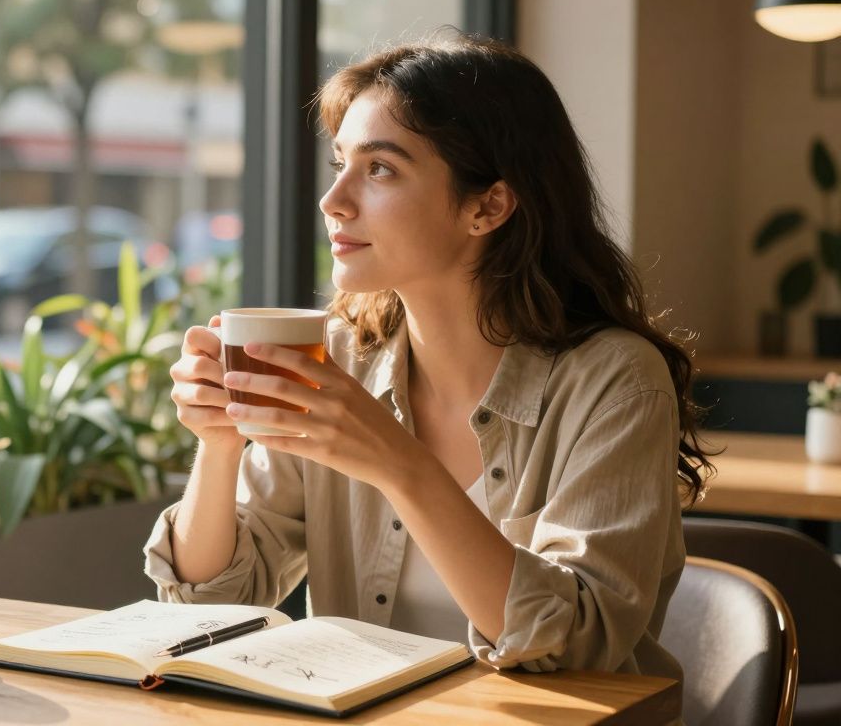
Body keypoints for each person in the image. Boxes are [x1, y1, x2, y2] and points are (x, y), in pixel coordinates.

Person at [147, 34, 714, 682]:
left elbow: (574, 644)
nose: (334, 200)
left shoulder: (615, 383)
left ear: (488, 205)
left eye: (380, 168)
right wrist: (219, 446)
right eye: (340, 163)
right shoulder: (337, 359)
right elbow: (210, 603)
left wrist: (399, 463)